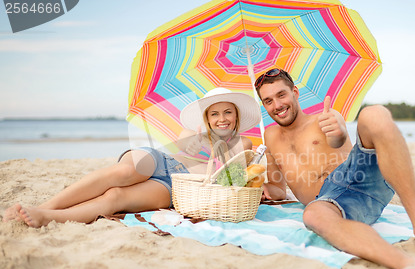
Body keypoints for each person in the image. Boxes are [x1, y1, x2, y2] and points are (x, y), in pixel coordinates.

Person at [254, 68, 415, 269]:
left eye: (281, 95)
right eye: (268, 101)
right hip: (334, 204)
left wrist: (338, 132)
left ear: (295, 92)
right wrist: (264, 191)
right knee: (312, 215)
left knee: (372, 114)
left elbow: (338, 140)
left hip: (358, 176)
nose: (277, 105)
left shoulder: (325, 118)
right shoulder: (270, 136)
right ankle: (410, 265)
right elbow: (277, 188)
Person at [3, 88, 261, 228]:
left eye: (228, 112)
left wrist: (217, 152)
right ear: (206, 118)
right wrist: (192, 143)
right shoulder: (191, 132)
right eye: (214, 114)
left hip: (177, 187)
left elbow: (228, 178)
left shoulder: (243, 143)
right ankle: (48, 204)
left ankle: (47, 217)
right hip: (162, 162)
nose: (222, 119)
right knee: (124, 173)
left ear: (237, 117)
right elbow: (174, 155)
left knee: (116, 197)